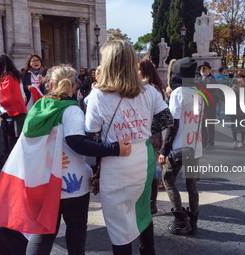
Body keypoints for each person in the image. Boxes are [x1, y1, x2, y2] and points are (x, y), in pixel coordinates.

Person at [0, 65, 131, 255]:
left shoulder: (38, 107)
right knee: (76, 231)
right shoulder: (71, 111)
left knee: (43, 233)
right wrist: (114, 149)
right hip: (72, 184)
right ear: (73, 88)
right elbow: (76, 142)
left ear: (50, 85)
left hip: (43, 183)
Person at [85, 40, 173, 255]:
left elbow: (92, 138)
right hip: (142, 158)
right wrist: (141, 130)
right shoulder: (149, 91)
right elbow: (166, 119)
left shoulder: (98, 95)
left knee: (118, 222)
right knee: (142, 211)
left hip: (116, 162)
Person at [159, 57, 202, 236]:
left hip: (179, 146)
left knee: (168, 180)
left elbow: (172, 125)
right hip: (195, 146)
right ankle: (193, 219)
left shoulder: (178, 94)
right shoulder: (198, 93)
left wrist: (164, 151)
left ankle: (180, 220)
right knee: (192, 185)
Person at [138, 59, 166, 215]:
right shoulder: (155, 88)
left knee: (151, 167)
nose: (136, 72)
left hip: (151, 131)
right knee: (151, 166)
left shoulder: (151, 89)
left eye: (138, 69)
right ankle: (151, 202)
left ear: (145, 71)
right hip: (152, 131)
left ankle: (151, 203)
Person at [0, 54, 27, 160]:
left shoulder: (11, 78)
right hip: (8, 116)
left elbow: (11, 98)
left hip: (15, 116)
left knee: (14, 146)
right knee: (8, 147)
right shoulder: (7, 78)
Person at [197, 61, 217, 150]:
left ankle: (210, 143)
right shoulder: (200, 78)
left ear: (209, 69)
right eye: (201, 68)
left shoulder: (211, 78)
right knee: (202, 125)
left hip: (209, 106)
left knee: (209, 125)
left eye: (204, 68)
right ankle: (204, 142)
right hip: (201, 105)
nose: (202, 70)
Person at [230, 73, 245, 148]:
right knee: (234, 127)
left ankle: (242, 141)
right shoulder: (233, 88)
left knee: (243, 126)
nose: (241, 81)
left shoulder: (244, 87)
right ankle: (235, 141)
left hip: (244, 109)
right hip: (235, 109)